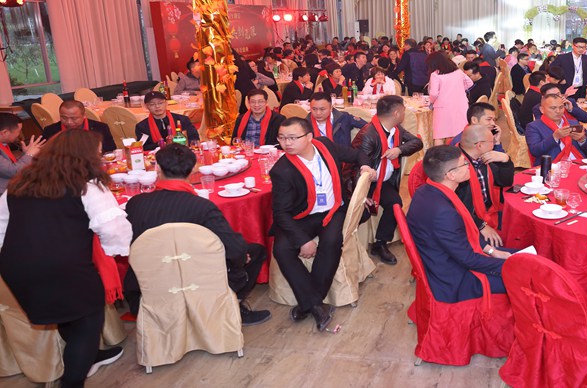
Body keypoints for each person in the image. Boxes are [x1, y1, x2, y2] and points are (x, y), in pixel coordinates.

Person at [0, 129, 131, 386]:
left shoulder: (19, 184)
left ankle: (91, 356)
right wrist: (114, 251)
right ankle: (73, 380)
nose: (100, 158)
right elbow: (113, 229)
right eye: (97, 153)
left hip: (17, 266)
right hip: (63, 266)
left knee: (65, 311)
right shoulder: (87, 186)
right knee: (89, 320)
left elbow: (1, 225)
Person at [123, 144, 270, 325]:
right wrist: (239, 255)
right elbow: (235, 250)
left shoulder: (135, 203)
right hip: (197, 290)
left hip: (146, 293)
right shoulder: (201, 207)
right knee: (252, 251)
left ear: (157, 168)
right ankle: (230, 307)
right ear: (194, 169)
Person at [270, 118, 372, 331]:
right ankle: (315, 305)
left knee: (331, 242)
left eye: (292, 138)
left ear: (309, 137)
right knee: (281, 249)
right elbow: (280, 213)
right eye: (282, 138)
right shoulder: (282, 170)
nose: (286, 143)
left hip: (333, 209)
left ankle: (308, 304)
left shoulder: (325, 146)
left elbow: (357, 154)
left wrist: (365, 166)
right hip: (302, 216)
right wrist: (303, 240)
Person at [406, 145, 510, 303]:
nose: (469, 166)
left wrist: (492, 251)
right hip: (453, 279)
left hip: (448, 257)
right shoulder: (443, 213)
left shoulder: (426, 191)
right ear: (451, 175)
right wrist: (508, 266)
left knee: (518, 257)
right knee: (523, 276)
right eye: (464, 163)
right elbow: (468, 259)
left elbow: (465, 233)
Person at [352, 96, 423, 264]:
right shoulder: (369, 135)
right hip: (367, 183)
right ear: (397, 113)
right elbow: (355, 168)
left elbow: (417, 142)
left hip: (384, 181)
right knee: (382, 206)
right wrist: (361, 195)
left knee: (395, 203)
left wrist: (399, 149)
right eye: (403, 110)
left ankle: (380, 243)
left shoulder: (395, 129)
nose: (404, 113)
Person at [455, 125, 513, 248]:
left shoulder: (485, 157)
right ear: (479, 145)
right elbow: (455, 207)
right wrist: (481, 225)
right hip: (467, 221)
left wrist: (506, 160)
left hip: (489, 210)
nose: (494, 144)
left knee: (519, 228)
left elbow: (505, 182)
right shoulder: (456, 167)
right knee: (505, 247)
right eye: (491, 142)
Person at [525, 94, 587, 165]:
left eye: (561, 107)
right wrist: (554, 137)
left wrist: (582, 140)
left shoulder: (572, 123)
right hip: (552, 165)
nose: (558, 111)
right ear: (542, 110)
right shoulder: (534, 126)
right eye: (553, 108)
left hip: (578, 162)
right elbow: (535, 151)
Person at [428, 52, 473, 145]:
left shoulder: (435, 75)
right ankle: (459, 152)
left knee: (439, 135)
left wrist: (431, 102)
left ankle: (440, 154)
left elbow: (434, 93)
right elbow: (470, 83)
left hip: (442, 107)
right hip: (461, 105)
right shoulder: (457, 72)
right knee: (459, 132)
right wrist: (459, 90)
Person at [134, 92, 199, 151]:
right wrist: (159, 144)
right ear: (146, 106)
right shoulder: (142, 126)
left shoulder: (182, 120)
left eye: (160, 103)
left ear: (166, 103)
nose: (157, 106)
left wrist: (179, 142)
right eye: (152, 104)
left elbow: (194, 138)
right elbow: (143, 147)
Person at [41, 100, 116, 152]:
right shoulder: (50, 131)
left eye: (74, 118)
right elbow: (43, 155)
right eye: (64, 118)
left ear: (84, 115)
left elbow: (110, 151)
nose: (69, 122)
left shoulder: (100, 128)